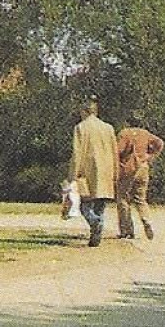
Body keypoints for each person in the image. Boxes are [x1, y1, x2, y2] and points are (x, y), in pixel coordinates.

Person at [69, 97, 118, 247]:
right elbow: (114, 151)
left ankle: (95, 222)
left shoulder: (80, 128)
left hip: (88, 170)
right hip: (106, 170)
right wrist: (116, 171)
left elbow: (77, 153)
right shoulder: (108, 128)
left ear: (84, 111)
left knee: (84, 205)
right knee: (100, 204)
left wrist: (73, 174)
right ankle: (96, 236)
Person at [115, 113, 165, 240]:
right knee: (140, 199)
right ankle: (146, 220)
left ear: (127, 122)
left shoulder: (124, 133)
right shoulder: (145, 133)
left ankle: (127, 230)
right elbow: (160, 143)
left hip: (128, 168)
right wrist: (151, 156)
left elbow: (118, 151)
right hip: (143, 167)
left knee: (122, 198)